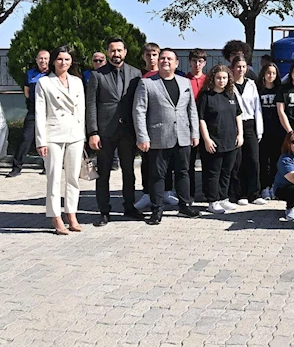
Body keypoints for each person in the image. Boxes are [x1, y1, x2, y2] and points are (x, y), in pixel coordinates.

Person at [133, 48, 201, 225]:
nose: (165, 61)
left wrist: (195, 133)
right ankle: (157, 210)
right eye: (162, 58)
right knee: (157, 175)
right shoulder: (147, 83)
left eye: (169, 59)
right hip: (158, 137)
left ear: (177, 63)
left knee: (183, 172)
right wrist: (142, 136)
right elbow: (139, 111)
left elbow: (191, 110)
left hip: (183, 136)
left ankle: (185, 205)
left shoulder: (185, 83)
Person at [86, 37, 143, 226]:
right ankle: (103, 211)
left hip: (128, 131)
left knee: (129, 171)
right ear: (107, 52)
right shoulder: (97, 75)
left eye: (119, 50)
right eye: (112, 50)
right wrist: (93, 132)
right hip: (105, 132)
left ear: (125, 52)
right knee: (103, 174)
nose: (116, 54)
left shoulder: (136, 74)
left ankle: (129, 206)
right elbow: (91, 105)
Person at [35, 46, 85, 235]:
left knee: (73, 177)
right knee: (54, 177)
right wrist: (41, 140)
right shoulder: (44, 83)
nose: (63, 63)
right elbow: (40, 113)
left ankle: (71, 213)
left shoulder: (77, 82)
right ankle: (56, 217)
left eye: (67, 59)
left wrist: (83, 134)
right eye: (60, 59)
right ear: (53, 61)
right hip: (53, 134)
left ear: (71, 61)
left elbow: (81, 110)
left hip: (75, 134)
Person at [197, 64, 243, 214]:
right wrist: (207, 139)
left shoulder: (231, 94)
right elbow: (201, 119)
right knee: (213, 172)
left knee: (226, 171)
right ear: (213, 78)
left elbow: (238, 115)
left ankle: (224, 198)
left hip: (231, 141)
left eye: (224, 78)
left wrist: (240, 134)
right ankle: (212, 201)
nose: (221, 81)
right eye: (218, 78)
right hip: (214, 141)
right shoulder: (206, 96)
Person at [6, 49, 49, 178]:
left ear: (49, 60)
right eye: (40, 58)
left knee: (49, 139)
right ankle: (16, 167)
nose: (43, 61)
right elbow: (26, 91)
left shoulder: (52, 74)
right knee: (25, 138)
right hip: (34, 110)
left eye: (46, 58)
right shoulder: (30, 73)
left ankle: (47, 166)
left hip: (50, 111)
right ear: (36, 60)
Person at [230, 55, 264, 206]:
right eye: (238, 67)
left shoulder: (251, 84)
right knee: (238, 162)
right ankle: (240, 194)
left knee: (254, 160)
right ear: (233, 68)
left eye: (244, 67)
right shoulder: (229, 85)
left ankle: (254, 193)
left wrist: (259, 129)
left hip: (250, 124)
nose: (241, 70)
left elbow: (257, 107)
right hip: (234, 125)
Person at [257, 62, 283, 198]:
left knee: (275, 160)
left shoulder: (280, 89)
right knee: (263, 161)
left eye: (273, 73)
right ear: (264, 74)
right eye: (268, 73)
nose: (271, 76)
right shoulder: (258, 90)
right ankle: (264, 187)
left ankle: (274, 186)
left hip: (277, 131)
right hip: (263, 131)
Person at [186, 49, 208, 202]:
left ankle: (208, 193)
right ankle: (190, 193)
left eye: (200, 61)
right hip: (188, 125)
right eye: (194, 61)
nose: (197, 64)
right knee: (189, 162)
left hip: (206, 125)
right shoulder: (183, 80)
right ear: (190, 62)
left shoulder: (209, 81)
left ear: (204, 63)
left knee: (208, 162)